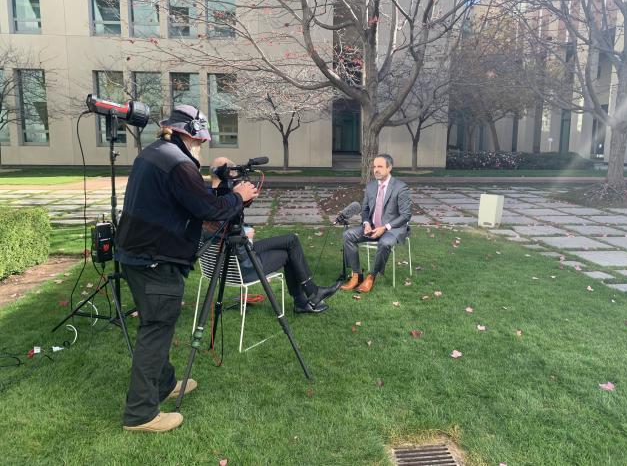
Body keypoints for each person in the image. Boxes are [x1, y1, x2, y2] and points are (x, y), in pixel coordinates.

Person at [115, 106, 258, 433]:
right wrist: (238, 196)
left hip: (137, 255)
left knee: (157, 324)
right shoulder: (178, 162)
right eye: (200, 139)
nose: (201, 146)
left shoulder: (155, 153)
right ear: (190, 134)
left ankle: (164, 384)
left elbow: (189, 202)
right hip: (155, 259)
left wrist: (224, 194)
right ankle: (140, 414)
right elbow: (207, 209)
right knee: (156, 329)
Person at [207, 157, 340, 313]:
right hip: (243, 265)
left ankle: (306, 298)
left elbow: (227, 226)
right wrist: (240, 207)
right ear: (227, 174)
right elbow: (231, 229)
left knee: (291, 243)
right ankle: (309, 295)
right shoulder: (225, 201)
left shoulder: (208, 199)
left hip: (223, 264)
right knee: (291, 244)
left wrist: (241, 202)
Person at [340, 154, 412, 293]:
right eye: (374, 167)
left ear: (389, 168)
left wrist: (384, 228)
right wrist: (366, 223)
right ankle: (356, 275)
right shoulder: (371, 186)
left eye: (380, 166)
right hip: (372, 228)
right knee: (348, 235)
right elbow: (365, 209)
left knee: (385, 243)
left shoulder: (401, 187)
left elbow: (405, 215)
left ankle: (371, 277)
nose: (376, 170)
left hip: (393, 229)